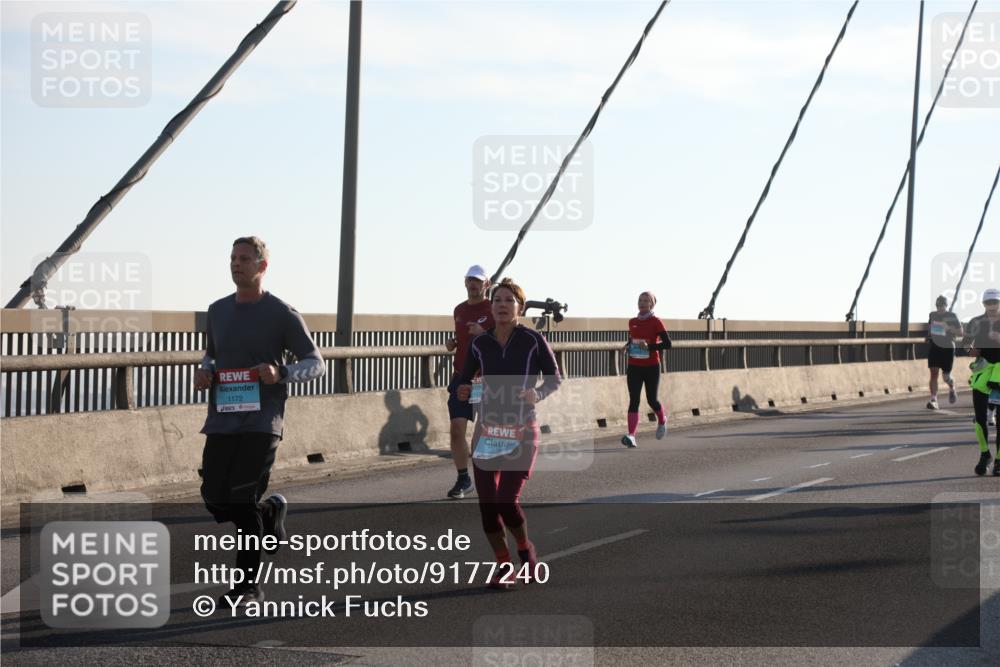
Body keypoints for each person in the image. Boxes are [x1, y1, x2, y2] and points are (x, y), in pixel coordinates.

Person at [194, 236, 325, 604]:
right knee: (214, 498)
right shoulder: (217, 310)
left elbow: (316, 363)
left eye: (245, 259)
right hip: (222, 418)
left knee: (240, 499)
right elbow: (211, 357)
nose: (236, 264)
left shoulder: (282, 313)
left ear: (262, 266)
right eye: (233, 258)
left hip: (262, 421)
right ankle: (269, 511)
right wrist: (204, 372)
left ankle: (247, 586)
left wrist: (280, 372)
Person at [456, 278, 561, 589]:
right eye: (497, 300)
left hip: (522, 430)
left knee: (506, 501)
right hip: (488, 431)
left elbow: (555, 378)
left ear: (520, 307)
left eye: (508, 301)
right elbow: (464, 380)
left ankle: (524, 550)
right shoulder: (480, 343)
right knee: (488, 510)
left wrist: (537, 394)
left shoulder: (532, 340)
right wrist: (463, 390)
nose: (501, 305)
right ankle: (503, 565)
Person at [444, 265, 494, 499]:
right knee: (456, 430)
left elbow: (504, 342)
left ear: (487, 284)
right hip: (461, 378)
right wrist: (454, 343)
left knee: (481, 435)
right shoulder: (459, 310)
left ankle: (488, 478)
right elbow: (464, 338)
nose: (473, 284)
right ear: (465, 282)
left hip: (485, 380)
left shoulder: (495, 309)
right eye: (470, 280)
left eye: (478, 281)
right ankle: (464, 478)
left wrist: (483, 332)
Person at [621, 291, 671, 448]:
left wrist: (649, 347)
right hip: (634, 366)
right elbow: (634, 338)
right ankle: (631, 436)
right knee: (634, 400)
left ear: (651, 304)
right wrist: (627, 345)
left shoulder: (656, 321)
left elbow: (668, 344)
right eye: (640, 300)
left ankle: (662, 420)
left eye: (645, 301)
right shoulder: (632, 321)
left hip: (651, 366)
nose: (641, 303)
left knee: (652, 400)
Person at [966, 288, 1000, 476]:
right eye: (989, 303)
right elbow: (965, 344)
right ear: (983, 304)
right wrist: (971, 350)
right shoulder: (976, 322)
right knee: (979, 418)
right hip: (984, 371)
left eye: (995, 302)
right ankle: (985, 454)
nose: (992, 306)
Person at [925, 295, 963, 409]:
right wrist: (929, 335)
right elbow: (930, 327)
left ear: (946, 306)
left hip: (947, 348)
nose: (939, 308)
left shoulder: (952, 316)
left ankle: (952, 387)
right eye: (938, 305)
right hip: (935, 347)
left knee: (946, 376)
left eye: (942, 305)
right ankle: (933, 400)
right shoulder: (932, 315)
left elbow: (961, 332)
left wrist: (948, 328)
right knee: (933, 373)